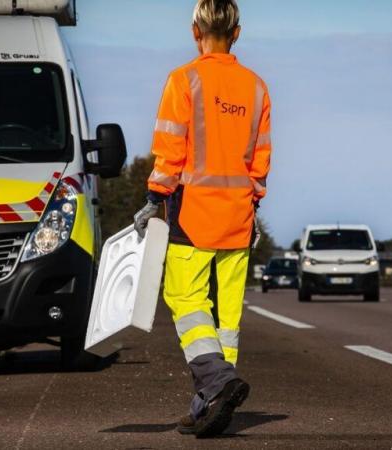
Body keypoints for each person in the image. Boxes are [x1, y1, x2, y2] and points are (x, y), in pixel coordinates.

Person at [133, 0, 272, 438]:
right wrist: (254, 205)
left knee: (186, 301)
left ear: (196, 31)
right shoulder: (256, 87)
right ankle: (207, 403)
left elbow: (171, 150)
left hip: (193, 214)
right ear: (238, 32)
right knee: (226, 318)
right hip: (239, 216)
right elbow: (260, 160)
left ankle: (218, 383)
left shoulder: (184, 80)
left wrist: (155, 199)